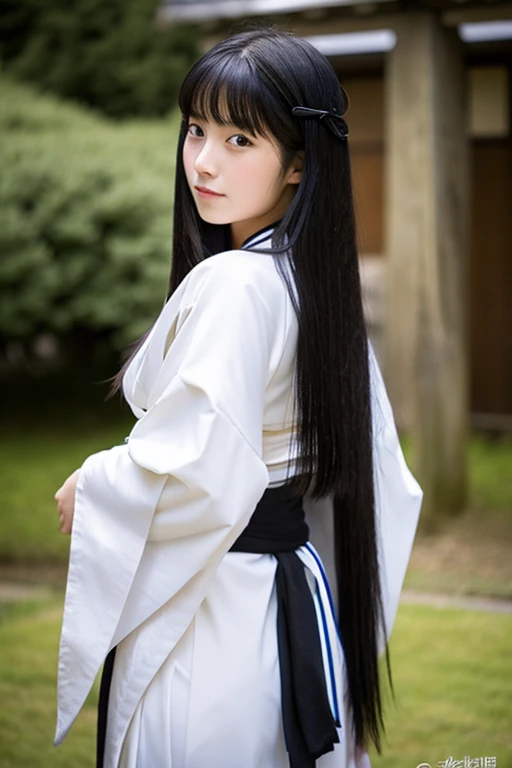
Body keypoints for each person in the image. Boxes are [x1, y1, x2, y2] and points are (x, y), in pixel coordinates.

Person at [53, 27, 423, 768]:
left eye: (239, 139)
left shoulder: (237, 282)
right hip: (287, 596)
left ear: (297, 163)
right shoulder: (307, 281)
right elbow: (381, 473)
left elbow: (197, 461)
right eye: (196, 130)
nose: (204, 161)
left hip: (219, 605)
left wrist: (93, 486)